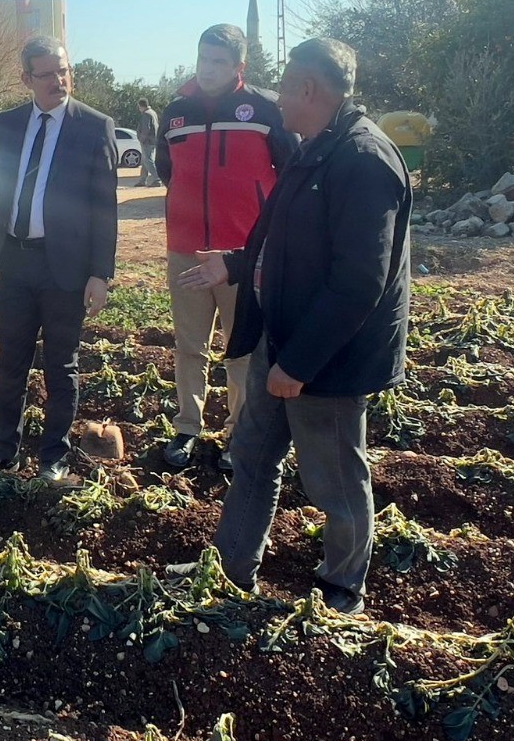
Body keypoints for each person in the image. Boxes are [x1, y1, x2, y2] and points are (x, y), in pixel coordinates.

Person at [175, 38, 413, 615]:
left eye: (284, 86)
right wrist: (233, 263)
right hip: (279, 341)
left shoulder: (363, 160)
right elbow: (282, 238)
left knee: (334, 480)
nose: (277, 99)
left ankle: (342, 588)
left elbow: (359, 281)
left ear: (309, 89)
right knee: (252, 457)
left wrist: (298, 364)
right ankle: (231, 570)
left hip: (325, 361)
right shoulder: (316, 148)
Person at [0, 36, 118, 483]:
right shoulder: (9, 124)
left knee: (61, 366)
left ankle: (53, 456)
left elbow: (104, 206)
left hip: (65, 269)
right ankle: (5, 453)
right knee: (11, 362)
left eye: (64, 70)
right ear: (26, 78)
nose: (59, 80)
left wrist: (100, 273)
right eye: (48, 74)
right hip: (16, 263)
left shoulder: (94, 126)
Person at [157, 24, 297, 472]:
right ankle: (187, 426)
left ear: (240, 66)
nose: (208, 68)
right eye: (203, 58)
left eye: (219, 61)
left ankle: (240, 432)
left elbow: (291, 171)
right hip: (186, 249)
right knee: (189, 345)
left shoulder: (265, 107)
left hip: (243, 254)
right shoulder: (176, 111)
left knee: (241, 348)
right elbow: (167, 171)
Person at [134, 98, 160, 188]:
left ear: (141, 106)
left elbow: (146, 128)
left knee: (148, 160)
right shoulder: (153, 112)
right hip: (153, 140)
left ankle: (157, 179)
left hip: (147, 141)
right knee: (145, 161)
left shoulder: (146, 114)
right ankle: (142, 180)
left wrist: (142, 139)